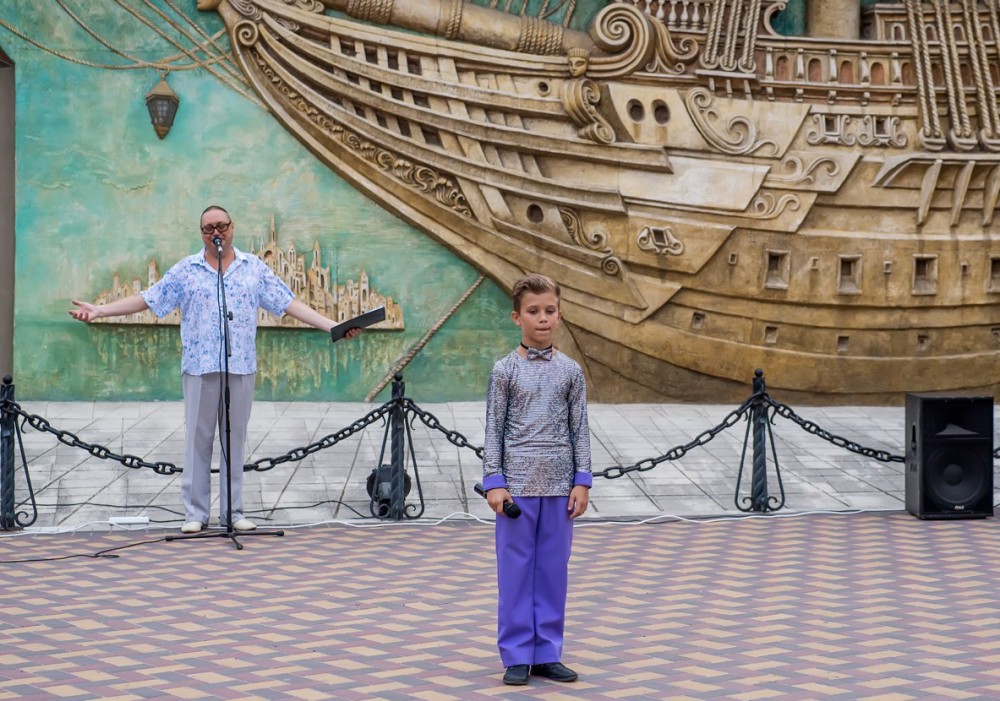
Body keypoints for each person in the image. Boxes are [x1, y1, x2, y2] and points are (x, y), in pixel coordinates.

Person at [70, 205, 360, 534]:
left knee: (234, 440)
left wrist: (333, 326)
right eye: (209, 228)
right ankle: (195, 513)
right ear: (202, 233)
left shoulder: (253, 268)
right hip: (199, 367)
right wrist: (101, 311)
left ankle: (233, 512)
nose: (216, 232)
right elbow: (149, 299)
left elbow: (288, 303)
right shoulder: (186, 270)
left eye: (221, 226)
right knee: (199, 439)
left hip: (240, 365)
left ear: (232, 228)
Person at [481, 273, 592, 686]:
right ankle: (515, 654)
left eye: (550, 310)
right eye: (533, 311)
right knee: (515, 572)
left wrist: (582, 480)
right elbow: (494, 428)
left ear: (559, 315)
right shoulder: (504, 371)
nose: (542, 318)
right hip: (517, 489)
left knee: (552, 571)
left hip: (560, 488)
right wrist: (494, 481)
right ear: (517, 317)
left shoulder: (571, 372)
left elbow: (580, 429)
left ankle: (547, 652)